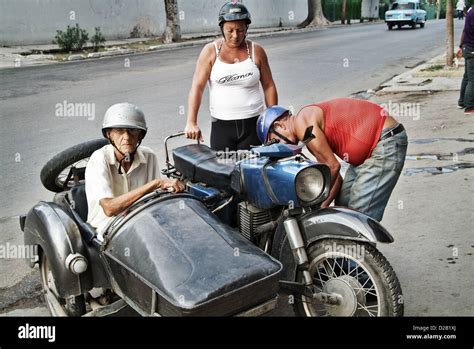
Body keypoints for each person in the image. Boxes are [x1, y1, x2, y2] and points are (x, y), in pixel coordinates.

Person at [256, 98, 408, 221]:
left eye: (274, 140)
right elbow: (336, 179)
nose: (278, 146)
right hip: (368, 153)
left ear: (280, 125)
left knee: (357, 218)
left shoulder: (303, 125)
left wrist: (314, 205)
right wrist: (320, 209)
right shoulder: (305, 126)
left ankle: (359, 258)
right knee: (342, 209)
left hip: (384, 143)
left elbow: (332, 166)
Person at [185, 1, 278, 151]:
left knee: (253, 171)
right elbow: (197, 87)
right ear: (222, 28)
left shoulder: (256, 51)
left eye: (240, 30)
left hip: (253, 125)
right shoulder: (210, 51)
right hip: (222, 127)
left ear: (246, 28)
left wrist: (273, 119)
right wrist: (191, 122)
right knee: (223, 171)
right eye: (230, 30)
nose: (235, 36)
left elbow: (269, 86)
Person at [85, 103, 184, 240]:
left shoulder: (149, 156)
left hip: (141, 219)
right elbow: (110, 208)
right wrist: (157, 183)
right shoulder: (99, 159)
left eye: (132, 130)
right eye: (119, 131)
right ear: (109, 134)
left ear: (140, 135)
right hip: (107, 228)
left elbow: (156, 199)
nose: (126, 137)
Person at [457, 4, 474, 114]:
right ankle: (470, 107)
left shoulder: (471, 10)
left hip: (467, 46)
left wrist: (460, 46)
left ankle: (462, 102)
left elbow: (464, 31)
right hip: (472, 48)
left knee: (467, 76)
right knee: (473, 78)